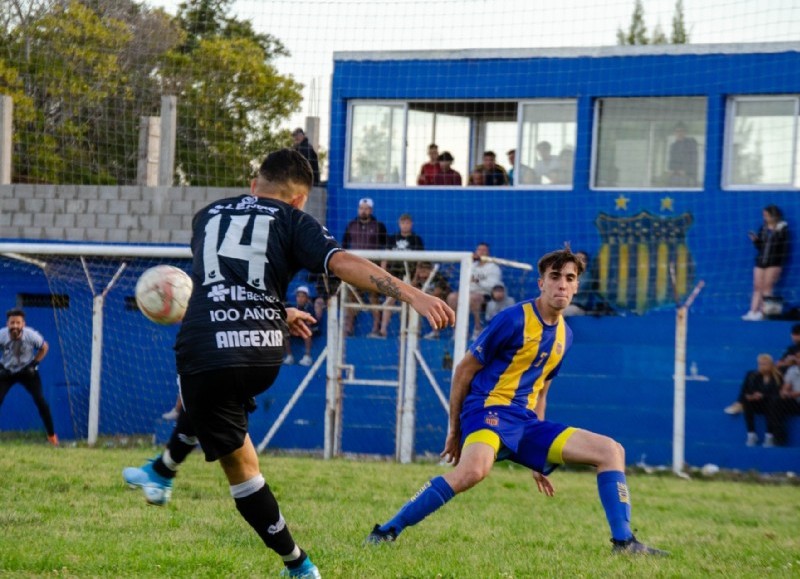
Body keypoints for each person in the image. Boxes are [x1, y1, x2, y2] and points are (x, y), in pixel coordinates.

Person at [122, 149, 455, 579]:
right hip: (264, 351)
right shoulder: (295, 219)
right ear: (298, 199)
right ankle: (161, 473)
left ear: (255, 182)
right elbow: (342, 263)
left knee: (236, 460)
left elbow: (223, 285)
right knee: (215, 408)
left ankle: (299, 566)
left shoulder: (205, 216)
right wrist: (414, 294)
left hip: (205, 347)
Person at [365, 247, 667, 556]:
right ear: (541, 283)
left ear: (576, 286)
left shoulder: (565, 335)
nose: (562, 284)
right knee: (474, 471)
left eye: (569, 278)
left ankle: (624, 542)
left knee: (611, 450)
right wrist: (455, 430)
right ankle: (388, 530)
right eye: (555, 277)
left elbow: (542, 391)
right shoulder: (511, 319)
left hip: (525, 422)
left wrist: (539, 459)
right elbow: (463, 370)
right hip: (487, 410)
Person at [0, 308, 58, 446]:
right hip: (7, 371)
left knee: (41, 401)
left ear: (23, 324)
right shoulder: (1, 335)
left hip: (27, 372)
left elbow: (44, 347)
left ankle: (52, 437)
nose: (15, 326)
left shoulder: (31, 335)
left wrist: (34, 363)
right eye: (12, 323)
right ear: (7, 324)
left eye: (18, 323)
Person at [725, 323, 800, 414]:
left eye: (796, 335)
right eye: (794, 334)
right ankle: (741, 402)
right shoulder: (791, 348)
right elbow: (779, 363)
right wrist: (786, 362)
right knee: (751, 374)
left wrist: (795, 361)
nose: (794, 337)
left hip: (794, 374)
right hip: (784, 371)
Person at [342, 197, 388, 336]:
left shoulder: (379, 226)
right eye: (361, 208)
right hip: (354, 269)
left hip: (372, 268)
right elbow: (344, 247)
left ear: (371, 210)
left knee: (374, 296)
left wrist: (382, 270)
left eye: (366, 209)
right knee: (351, 296)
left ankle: (375, 328)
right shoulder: (351, 225)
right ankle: (348, 327)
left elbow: (385, 248)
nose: (363, 211)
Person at [379, 261, 452, 339]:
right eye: (421, 269)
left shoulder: (437, 277)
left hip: (442, 302)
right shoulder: (419, 279)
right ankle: (410, 331)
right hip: (425, 300)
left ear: (430, 269)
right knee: (408, 302)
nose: (422, 271)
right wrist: (416, 276)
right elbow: (411, 288)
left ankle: (435, 333)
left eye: (425, 269)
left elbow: (437, 293)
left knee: (433, 304)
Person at [446, 242, 503, 340]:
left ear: (488, 253)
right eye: (479, 250)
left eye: (483, 250)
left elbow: (494, 286)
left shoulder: (493, 268)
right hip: (468, 291)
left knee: (473, 298)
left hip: (485, 294)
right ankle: (457, 329)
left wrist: (477, 282)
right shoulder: (471, 266)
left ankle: (478, 328)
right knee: (452, 297)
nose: (481, 252)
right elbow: (463, 281)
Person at [742, 205, 789, 321]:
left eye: (767, 215)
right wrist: (755, 241)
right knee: (757, 286)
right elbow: (761, 247)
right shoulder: (763, 228)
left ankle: (766, 313)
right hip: (761, 260)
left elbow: (782, 247)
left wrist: (780, 265)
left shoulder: (782, 228)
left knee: (767, 287)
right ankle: (753, 311)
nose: (765, 217)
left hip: (774, 262)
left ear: (774, 216)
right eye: (764, 215)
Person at [737, 354, 782, 447]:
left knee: (773, 402)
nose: (761, 366)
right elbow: (745, 390)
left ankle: (769, 435)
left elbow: (777, 393)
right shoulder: (752, 375)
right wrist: (752, 396)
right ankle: (751, 434)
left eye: (764, 364)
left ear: (770, 365)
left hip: (771, 403)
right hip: (757, 403)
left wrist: (763, 395)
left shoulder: (778, 377)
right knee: (747, 401)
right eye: (760, 364)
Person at [284, 286, 319, 366]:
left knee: (307, 331)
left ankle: (307, 357)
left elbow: (309, 322)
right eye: (298, 296)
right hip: (298, 329)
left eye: (302, 296)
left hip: (312, 329)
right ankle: (289, 356)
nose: (300, 298)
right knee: (284, 331)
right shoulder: (294, 307)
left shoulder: (310, 307)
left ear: (307, 298)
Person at [769, 356, 800, 446]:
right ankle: (778, 438)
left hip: (796, 396)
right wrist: (784, 392)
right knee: (777, 402)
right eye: (798, 358)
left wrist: (796, 393)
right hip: (796, 403)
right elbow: (786, 386)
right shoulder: (792, 370)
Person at [667, 123, 698, 187]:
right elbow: (671, 160)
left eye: (681, 131)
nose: (679, 133)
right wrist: (671, 170)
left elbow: (693, 160)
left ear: (685, 132)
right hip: (675, 175)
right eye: (677, 131)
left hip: (687, 176)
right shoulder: (673, 146)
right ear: (674, 133)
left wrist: (686, 170)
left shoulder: (691, 144)